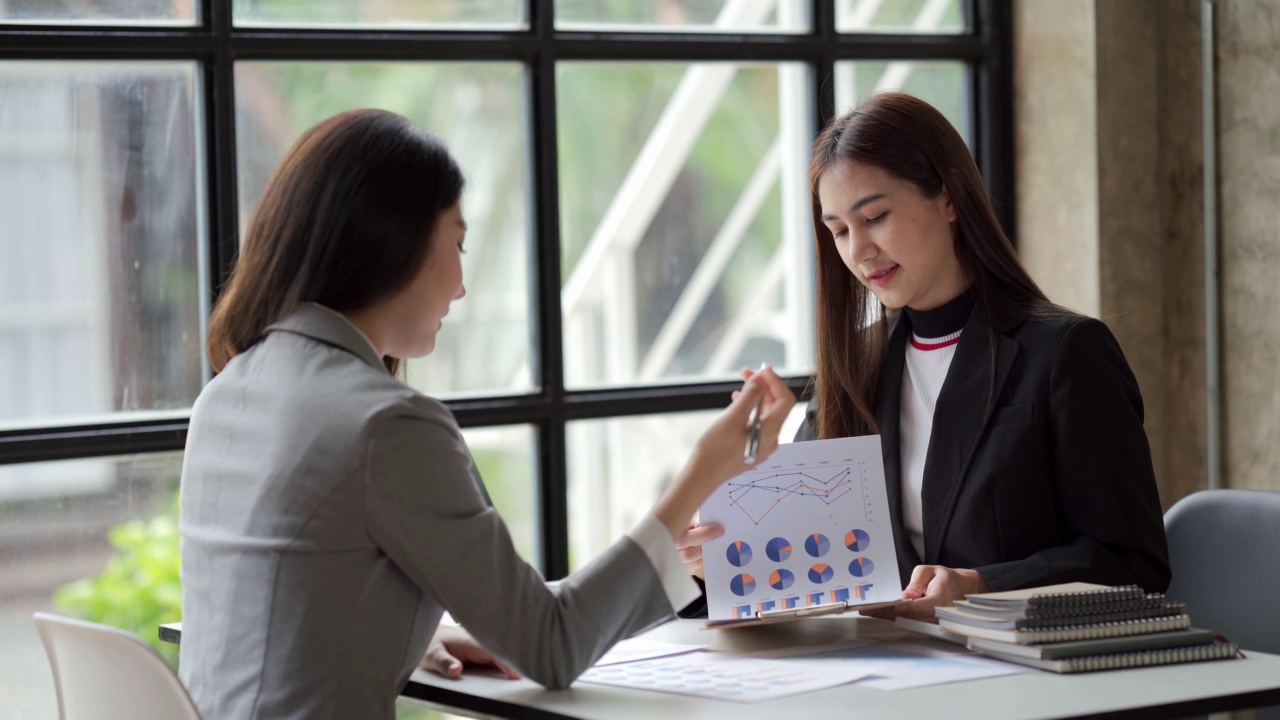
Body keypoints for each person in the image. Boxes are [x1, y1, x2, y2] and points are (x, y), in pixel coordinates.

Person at [177, 108, 795, 720]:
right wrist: (706, 472)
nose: (462, 286)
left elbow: (288, 604)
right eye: (458, 243)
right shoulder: (385, 426)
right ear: (392, 242)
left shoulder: (228, 394)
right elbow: (551, 646)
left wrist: (411, 633)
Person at [677, 92, 1169, 621]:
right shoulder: (855, 364)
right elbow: (811, 570)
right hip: (890, 673)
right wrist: (721, 564)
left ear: (952, 197)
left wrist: (983, 583)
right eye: (839, 231)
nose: (858, 251)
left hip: (1023, 677)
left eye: (877, 217)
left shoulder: (1066, 352)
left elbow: (1133, 562)